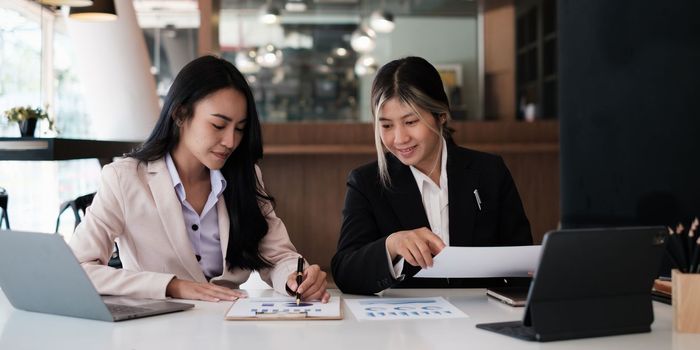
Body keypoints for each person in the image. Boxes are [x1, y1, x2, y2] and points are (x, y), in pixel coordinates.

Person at [70, 55, 330, 303]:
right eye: (218, 125)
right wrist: (172, 286)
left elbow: (278, 254)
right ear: (180, 114)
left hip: (228, 326)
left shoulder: (245, 176)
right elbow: (78, 267)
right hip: (156, 330)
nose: (230, 141)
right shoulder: (125, 178)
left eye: (239, 129)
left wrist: (296, 278)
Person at [331, 56, 532, 295]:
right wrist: (391, 245)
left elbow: (522, 259)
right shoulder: (367, 182)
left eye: (410, 121)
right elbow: (344, 270)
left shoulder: (489, 171)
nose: (399, 138)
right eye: (386, 126)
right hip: (404, 326)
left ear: (441, 115)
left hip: (482, 319)